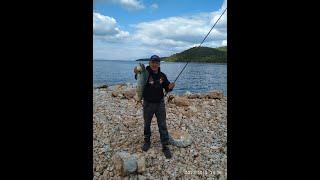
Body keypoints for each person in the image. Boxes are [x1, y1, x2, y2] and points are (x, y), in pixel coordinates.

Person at [134, 55, 175, 159]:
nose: (154, 64)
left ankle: (165, 145)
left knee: (162, 124)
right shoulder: (145, 73)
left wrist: (170, 87)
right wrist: (136, 72)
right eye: (152, 62)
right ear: (149, 62)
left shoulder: (162, 75)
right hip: (148, 103)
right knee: (147, 124)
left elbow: (167, 88)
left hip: (160, 103)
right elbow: (138, 75)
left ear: (159, 64)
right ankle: (147, 141)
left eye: (156, 62)